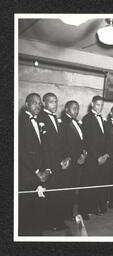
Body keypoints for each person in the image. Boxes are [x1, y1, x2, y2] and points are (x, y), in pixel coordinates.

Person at [38, 92, 71, 230]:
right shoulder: (41, 118)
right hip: (48, 164)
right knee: (49, 195)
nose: (54, 104)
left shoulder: (57, 119)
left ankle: (57, 221)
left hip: (59, 163)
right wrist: (48, 165)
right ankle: (49, 222)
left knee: (58, 194)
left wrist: (66, 158)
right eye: (51, 101)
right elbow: (43, 145)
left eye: (56, 101)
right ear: (44, 103)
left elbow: (61, 142)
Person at [19, 93, 50, 235]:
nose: (38, 106)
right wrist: (37, 171)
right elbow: (22, 151)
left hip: (40, 172)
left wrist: (46, 169)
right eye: (34, 103)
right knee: (27, 210)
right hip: (28, 174)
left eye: (39, 103)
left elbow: (43, 148)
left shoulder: (38, 121)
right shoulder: (21, 121)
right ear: (26, 104)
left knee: (38, 207)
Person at [81, 95, 109, 215]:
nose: (100, 107)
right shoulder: (87, 118)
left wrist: (105, 155)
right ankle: (84, 211)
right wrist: (97, 157)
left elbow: (104, 139)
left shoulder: (102, 119)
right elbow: (87, 141)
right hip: (92, 158)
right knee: (88, 185)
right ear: (92, 104)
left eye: (102, 105)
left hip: (101, 158)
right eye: (98, 104)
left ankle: (93, 208)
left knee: (97, 184)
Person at [61, 101, 88, 220]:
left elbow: (80, 141)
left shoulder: (76, 122)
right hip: (70, 161)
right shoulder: (63, 122)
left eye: (77, 108)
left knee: (72, 190)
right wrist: (75, 157)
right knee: (67, 190)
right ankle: (65, 214)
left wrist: (83, 154)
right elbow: (65, 144)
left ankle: (68, 213)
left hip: (77, 161)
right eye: (73, 108)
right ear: (67, 109)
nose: (76, 111)